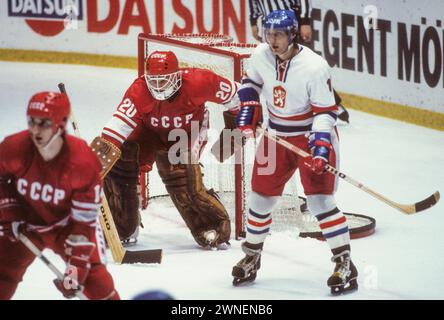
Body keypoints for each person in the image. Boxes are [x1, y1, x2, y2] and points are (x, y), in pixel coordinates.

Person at [231, 10, 358, 295]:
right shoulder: (260, 54)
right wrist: (249, 108)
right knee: (260, 199)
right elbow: (250, 84)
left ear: (292, 35)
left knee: (320, 203)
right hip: (275, 135)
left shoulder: (315, 66)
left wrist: (321, 147)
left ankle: (344, 262)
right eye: (268, 34)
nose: (272, 40)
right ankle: (252, 256)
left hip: (310, 136)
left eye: (278, 35)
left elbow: (326, 112)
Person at [99, 51, 240, 248]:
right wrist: (96, 161)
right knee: (119, 160)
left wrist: (236, 128)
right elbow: (117, 126)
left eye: (164, 80)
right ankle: (122, 224)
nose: (158, 86)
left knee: (180, 173)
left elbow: (237, 95)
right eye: (153, 80)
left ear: (177, 76)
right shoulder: (139, 90)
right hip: (149, 131)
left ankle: (210, 224)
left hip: (188, 132)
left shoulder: (200, 81)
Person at [0, 91, 119, 300]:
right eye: (32, 122)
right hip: (25, 223)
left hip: (67, 226)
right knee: (2, 272)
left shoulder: (82, 163)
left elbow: (83, 224)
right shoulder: (14, 147)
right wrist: (9, 210)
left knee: (95, 281)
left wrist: (74, 274)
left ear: (61, 124)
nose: (36, 131)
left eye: (44, 123)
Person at [248, 0, 350, 123]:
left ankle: (331, 103)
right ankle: (286, 107)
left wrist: (305, 21)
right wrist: (253, 20)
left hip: (289, 27)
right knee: (277, 70)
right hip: (269, 28)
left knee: (305, 69)